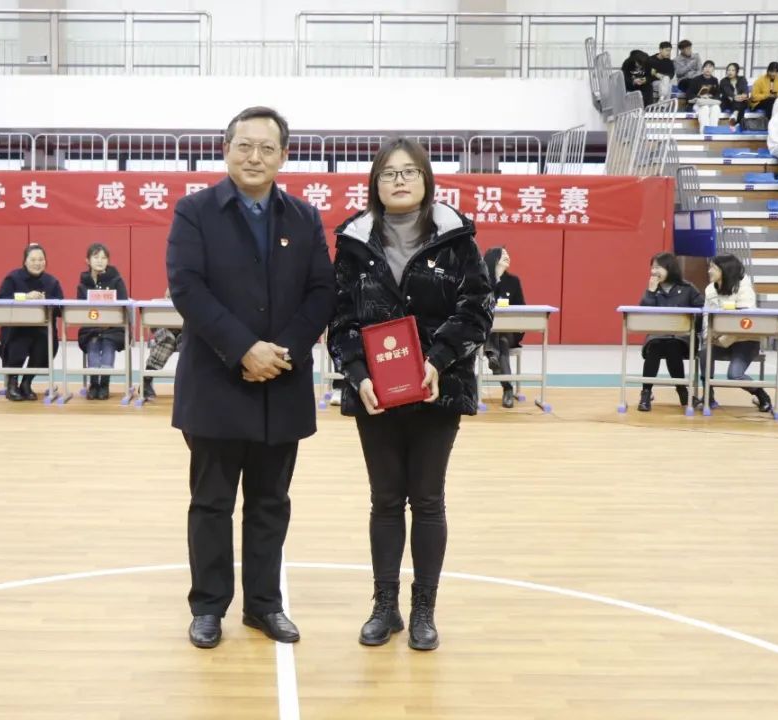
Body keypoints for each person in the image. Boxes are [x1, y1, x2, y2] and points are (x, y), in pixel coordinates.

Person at [166, 105, 336, 649]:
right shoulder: (195, 212)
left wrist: (280, 352)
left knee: (270, 503)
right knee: (211, 503)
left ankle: (264, 605)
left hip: (280, 382)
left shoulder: (304, 218)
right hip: (216, 383)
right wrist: (243, 349)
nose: (254, 156)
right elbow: (186, 287)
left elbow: (322, 291)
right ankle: (208, 607)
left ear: (283, 156)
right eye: (244, 145)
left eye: (267, 147)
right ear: (226, 150)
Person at [327, 137, 493, 651]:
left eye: (409, 172)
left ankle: (424, 609)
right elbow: (340, 320)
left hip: (436, 390)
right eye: (389, 173)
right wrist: (358, 373)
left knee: (426, 499)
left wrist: (437, 360)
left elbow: (477, 310)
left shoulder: (457, 239)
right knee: (383, 500)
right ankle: (385, 607)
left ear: (426, 180)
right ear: (374, 184)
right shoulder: (353, 242)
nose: (399, 180)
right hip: (374, 395)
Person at [697, 254, 772, 413]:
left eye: (713, 268)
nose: (709, 271)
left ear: (725, 270)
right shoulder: (710, 289)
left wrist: (722, 338)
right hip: (719, 339)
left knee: (734, 375)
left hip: (745, 340)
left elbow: (743, 322)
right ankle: (708, 395)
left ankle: (761, 394)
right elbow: (706, 315)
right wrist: (708, 336)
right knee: (704, 352)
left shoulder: (745, 289)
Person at [0, 244, 63, 402]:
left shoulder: (52, 282)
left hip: (42, 330)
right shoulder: (13, 278)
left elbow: (61, 307)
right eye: (33, 259)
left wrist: (47, 300)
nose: (37, 263)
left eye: (41, 259)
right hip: (16, 329)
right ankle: (12, 383)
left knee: (44, 344)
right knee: (18, 343)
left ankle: (27, 382)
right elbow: (1, 300)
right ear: (25, 261)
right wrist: (24, 297)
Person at [637, 252, 704, 412]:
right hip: (657, 337)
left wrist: (691, 324)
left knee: (672, 346)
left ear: (670, 268)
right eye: (652, 268)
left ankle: (682, 391)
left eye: (658, 267)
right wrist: (650, 292)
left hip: (682, 338)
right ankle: (646, 393)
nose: (654, 271)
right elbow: (644, 314)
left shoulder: (687, 288)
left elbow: (702, 311)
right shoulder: (653, 290)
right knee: (655, 347)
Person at [76, 242, 128, 400]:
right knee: (93, 343)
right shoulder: (82, 283)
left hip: (114, 328)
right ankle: (94, 384)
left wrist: (110, 322)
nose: (100, 260)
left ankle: (104, 384)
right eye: (96, 257)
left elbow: (123, 306)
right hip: (91, 328)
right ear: (87, 260)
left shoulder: (117, 280)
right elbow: (82, 311)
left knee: (107, 343)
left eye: (104, 257)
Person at [482, 246, 524, 409]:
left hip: (510, 331)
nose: (507, 257)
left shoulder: (514, 282)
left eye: (508, 254)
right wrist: (496, 278)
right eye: (503, 255)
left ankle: (493, 355)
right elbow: (483, 305)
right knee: (501, 339)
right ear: (494, 259)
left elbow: (522, 308)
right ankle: (508, 390)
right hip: (488, 334)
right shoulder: (483, 280)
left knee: (502, 336)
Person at [141, 289, 178, 403]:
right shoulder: (163, 300)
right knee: (167, 340)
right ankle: (146, 382)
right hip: (165, 330)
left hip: (186, 330)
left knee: (188, 342)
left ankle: (188, 384)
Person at [687, 61, 722, 132]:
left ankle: (713, 131)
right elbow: (689, 94)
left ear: (713, 69)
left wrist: (709, 97)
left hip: (710, 102)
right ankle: (704, 131)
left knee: (716, 108)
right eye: (706, 67)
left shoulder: (715, 80)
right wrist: (700, 97)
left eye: (710, 67)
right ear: (702, 69)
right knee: (705, 108)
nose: (708, 69)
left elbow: (717, 95)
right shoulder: (696, 80)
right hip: (698, 103)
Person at [719, 63, 751, 131]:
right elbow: (728, 92)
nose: (730, 72)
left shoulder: (742, 79)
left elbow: (745, 90)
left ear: (737, 71)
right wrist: (735, 97)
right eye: (728, 70)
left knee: (741, 102)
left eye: (733, 70)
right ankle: (738, 123)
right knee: (738, 102)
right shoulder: (723, 81)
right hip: (728, 102)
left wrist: (744, 95)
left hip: (741, 102)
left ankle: (735, 116)